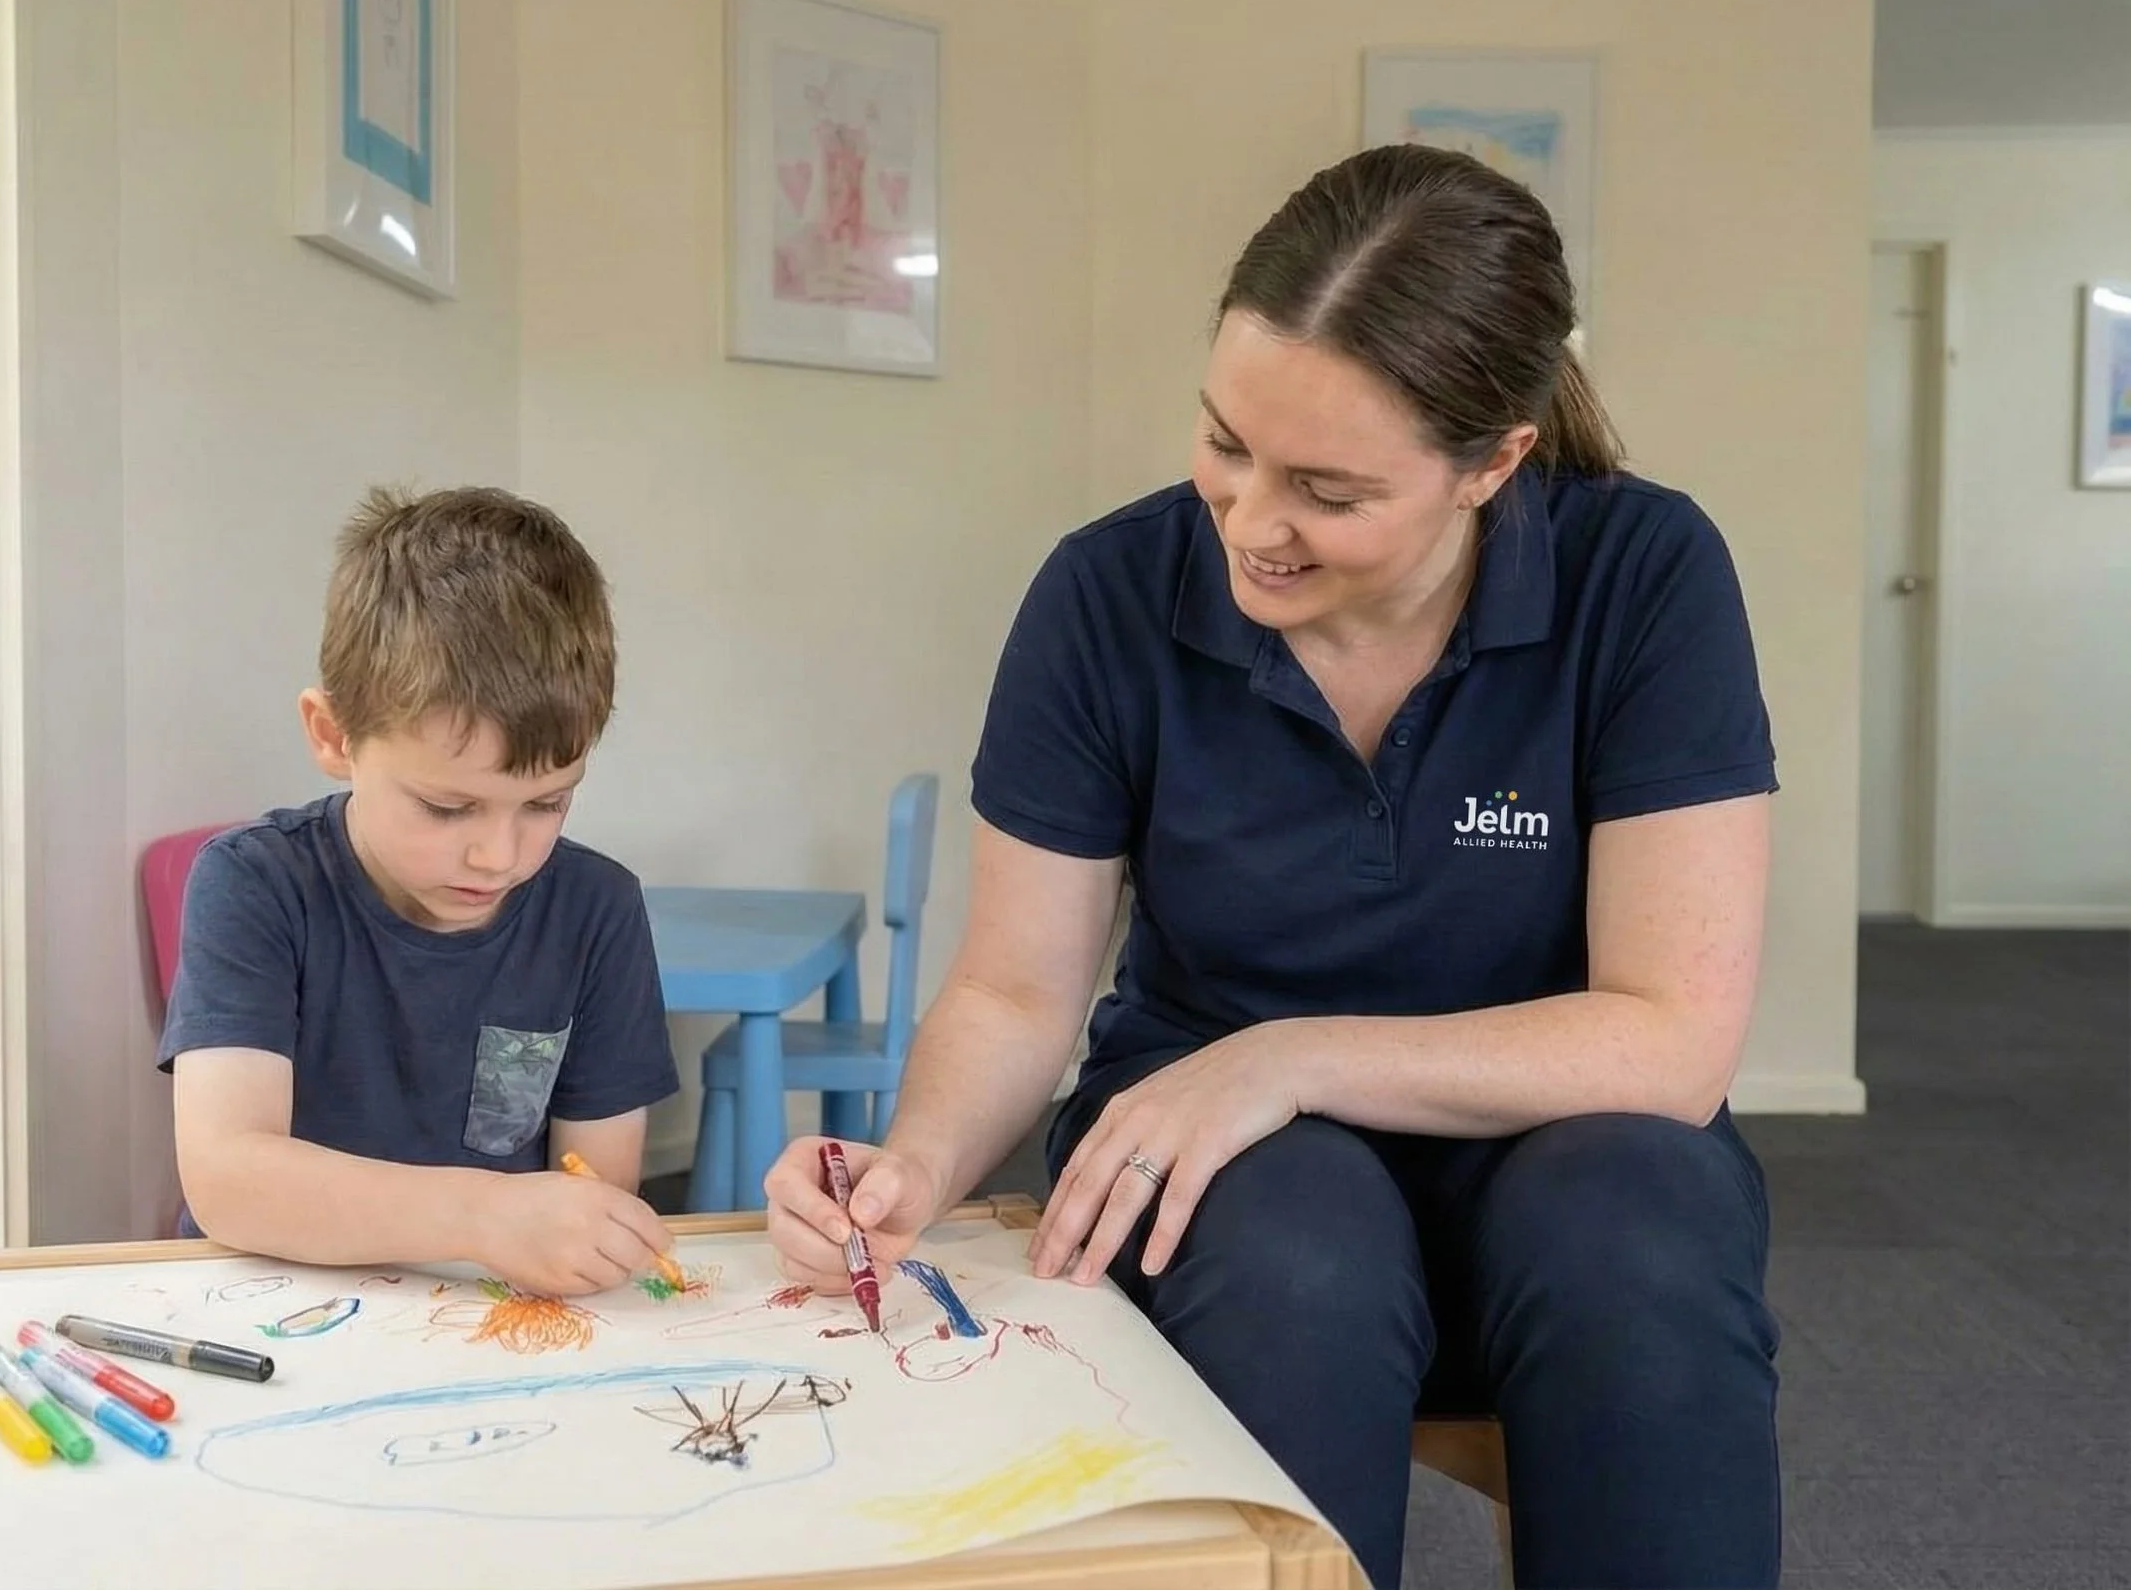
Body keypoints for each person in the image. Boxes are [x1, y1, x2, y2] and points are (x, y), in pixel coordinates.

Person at [763, 144, 1782, 1590]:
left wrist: (1293, 1055)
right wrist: (911, 1162)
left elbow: (1670, 1040)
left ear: (1494, 463)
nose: (1250, 523)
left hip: (1558, 1145)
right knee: (1299, 1256)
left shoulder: (1648, 575)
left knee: (1637, 1232)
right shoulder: (1105, 594)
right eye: (1226, 443)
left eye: (1327, 488)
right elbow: (1011, 988)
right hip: (1225, 1166)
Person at [161, 486, 682, 1297]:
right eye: (447, 806)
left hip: (485, 1318)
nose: (499, 854)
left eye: (547, 801)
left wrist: (566, 1225)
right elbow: (227, 1176)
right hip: (273, 1307)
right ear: (334, 735)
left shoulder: (597, 909)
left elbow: (597, 1190)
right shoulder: (254, 883)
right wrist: (484, 1214)